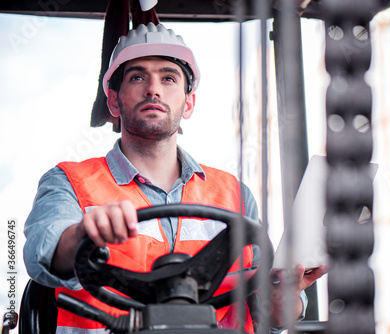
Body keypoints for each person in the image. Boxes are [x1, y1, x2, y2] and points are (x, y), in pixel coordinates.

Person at [23, 22, 327, 333]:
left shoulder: (234, 194)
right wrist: (81, 235)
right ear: (114, 101)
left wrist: (282, 301)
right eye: (138, 77)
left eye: (168, 78)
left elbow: (266, 312)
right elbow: (41, 254)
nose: (153, 88)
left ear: (189, 103)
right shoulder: (70, 181)